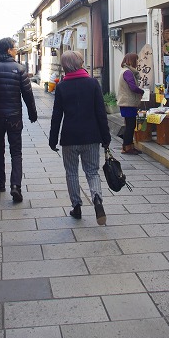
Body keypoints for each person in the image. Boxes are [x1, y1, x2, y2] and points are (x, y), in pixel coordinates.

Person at [48, 50, 111, 225]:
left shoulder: (61, 86)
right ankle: (97, 199)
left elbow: (56, 116)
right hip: (91, 136)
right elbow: (101, 113)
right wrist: (106, 138)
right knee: (92, 172)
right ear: (80, 64)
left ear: (65, 66)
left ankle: (76, 206)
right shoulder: (92, 84)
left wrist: (53, 139)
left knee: (71, 173)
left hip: (70, 137)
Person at [0, 37, 37, 202]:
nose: (16, 49)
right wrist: (32, 114)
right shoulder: (20, 69)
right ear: (8, 50)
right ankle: (16, 186)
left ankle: (0, 183)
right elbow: (28, 95)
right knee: (16, 152)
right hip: (14, 118)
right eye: (14, 47)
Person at [117, 53, 144, 155]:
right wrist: (141, 91)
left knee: (129, 125)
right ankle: (127, 147)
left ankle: (128, 146)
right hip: (128, 103)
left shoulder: (124, 71)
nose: (138, 62)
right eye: (137, 60)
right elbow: (133, 87)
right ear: (132, 61)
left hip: (126, 103)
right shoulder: (128, 72)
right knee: (130, 125)